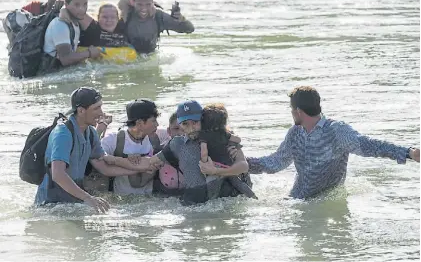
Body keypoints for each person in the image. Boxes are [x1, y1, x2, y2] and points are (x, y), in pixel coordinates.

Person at [247, 86, 420, 199]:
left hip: (326, 200)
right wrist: (239, 163)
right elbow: (274, 163)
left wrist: (408, 152)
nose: (291, 112)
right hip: (296, 201)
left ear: (298, 111)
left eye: (291, 109)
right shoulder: (294, 133)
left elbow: (369, 145)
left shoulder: (336, 130)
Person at [34, 87, 162, 212]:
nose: (101, 113)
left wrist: (139, 169)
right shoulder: (63, 133)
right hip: (50, 205)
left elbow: (104, 168)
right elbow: (58, 175)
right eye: (96, 108)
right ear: (81, 111)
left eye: (101, 107)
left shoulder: (90, 133)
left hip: (73, 201)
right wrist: (88, 198)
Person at [104, 100, 249, 205]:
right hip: (195, 204)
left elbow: (243, 165)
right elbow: (151, 162)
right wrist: (116, 159)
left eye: (195, 122)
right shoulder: (177, 143)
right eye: (185, 124)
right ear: (180, 125)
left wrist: (216, 171)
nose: (191, 128)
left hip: (227, 200)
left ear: (202, 120)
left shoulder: (221, 137)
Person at [100, 99, 160, 195]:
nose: (157, 124)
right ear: (140, 123)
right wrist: (124, 160)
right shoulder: (114, 139)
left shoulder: (156, 137)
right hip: (121, 202)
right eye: (153, 120)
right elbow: (99, 156)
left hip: (149, 200)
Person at [198, 103, 256, 199]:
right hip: (228, 167)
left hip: (217, 168)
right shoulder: (225, 134)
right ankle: (253, 196)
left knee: (212, 191)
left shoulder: (204, 136)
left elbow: (243, 166)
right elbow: (238, 139)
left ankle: (211, 201)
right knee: (238, 183)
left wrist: (208, 165)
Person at [40, 0, 102, 74]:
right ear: (66, 4)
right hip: (49, 73)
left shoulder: (75, 22)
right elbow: (65, 59)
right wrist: (89, 53)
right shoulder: (60, 25)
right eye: (76, 5)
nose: (82, 9)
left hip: (61, 72)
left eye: (85, 4)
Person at [118, 0, 195, 53]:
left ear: (153, 3)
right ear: (132, 2)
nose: (143, 9)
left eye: (148, 4)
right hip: (126, 58)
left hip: (150, 57)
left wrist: (181, 18)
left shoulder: (159, 17)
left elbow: (190, 29)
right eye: (139, 4)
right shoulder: (125, 14)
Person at [59, 3, 128, 48]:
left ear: (118, 19)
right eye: (105, 17)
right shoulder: (93, 28)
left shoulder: (121, 27)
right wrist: (63, 11)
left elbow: (126, 2)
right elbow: (72, 10)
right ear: (98, 18)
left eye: (113, 17)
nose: (109, 20)